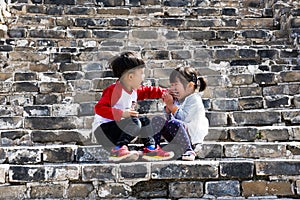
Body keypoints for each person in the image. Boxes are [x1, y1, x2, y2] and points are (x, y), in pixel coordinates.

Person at [92, 51, 174, 162]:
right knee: (135, 121)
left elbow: (148, 91)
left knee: (144, 120)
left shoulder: (134, 90)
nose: (143, 77)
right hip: (104, 131)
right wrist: (121, 114)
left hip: (119, 128)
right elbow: (99, 108)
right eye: (141, 73)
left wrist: (165, 92)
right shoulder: (115, 90)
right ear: (130, 76)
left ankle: (151, 149)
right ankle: (118, 149)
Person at [152, 66, 209, 161]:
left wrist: (171, 105)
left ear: (190, 86)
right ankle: (154, 148)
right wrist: (168, 108)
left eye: (175, 85)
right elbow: (169, 120)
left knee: (175, 123)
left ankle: (189, 150)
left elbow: (182, 118)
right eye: (171, 85)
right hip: (177, 136)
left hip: (191, 138)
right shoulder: (178, 100)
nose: (172, 88)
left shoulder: (194, 99)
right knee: (157, 120)